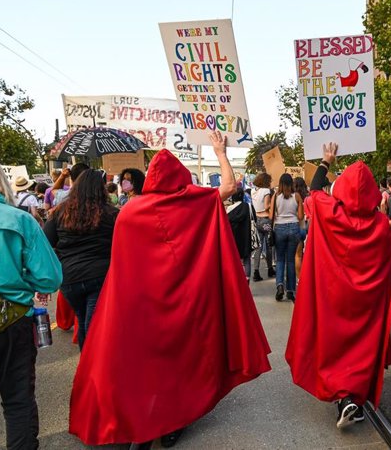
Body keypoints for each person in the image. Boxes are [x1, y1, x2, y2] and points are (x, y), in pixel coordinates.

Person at [69, 131, 271, 448]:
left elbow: (122, 268)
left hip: (141, 306)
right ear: (180, 177)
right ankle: (174, 421)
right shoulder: (195, 204)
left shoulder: (130, 213)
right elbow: (230, 187)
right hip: (185, 302)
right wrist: (220, 151)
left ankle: (147, 422)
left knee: (148, 368)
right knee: (182, 363)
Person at [286, 143, 391, 429]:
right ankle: (353, 398)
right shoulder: (382, 225)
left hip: (334, 294)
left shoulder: (329, 212)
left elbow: (315, 189)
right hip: (366, 300)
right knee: (361, 347)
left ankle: (344, 397)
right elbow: (388, 259)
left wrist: (326, 161)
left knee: (335, 346)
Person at [0, 154, 62, 450]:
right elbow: (50, 278)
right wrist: (20, 278)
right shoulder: (20, 220)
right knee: (17, 400)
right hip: (13, 319)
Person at [43, 169, 119, 350]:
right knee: (94, 324)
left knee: (83, 318)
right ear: (101, 189)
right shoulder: (112, 213)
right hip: (101, 275)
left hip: (69, 277)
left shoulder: (60, 212)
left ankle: (87, 364)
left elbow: (46, 242)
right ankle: (92, 367)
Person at [270, 173, 304, 301]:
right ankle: (290, 290)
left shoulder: (275, 196)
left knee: (280, 260)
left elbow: (270, 216)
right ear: (292, 184)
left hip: (279, 228)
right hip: (294, 228)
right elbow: (300, 217)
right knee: (290, 260)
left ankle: (279, 285)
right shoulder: (297, 196)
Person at [226, 187, 256, 283]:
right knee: (247, 259)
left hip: (234, 238)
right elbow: (254, 219)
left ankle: (236, 279)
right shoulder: (249, 206)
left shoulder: (229, 209)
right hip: (246, 237)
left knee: (235, 260)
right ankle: (247, 279)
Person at [251, 173, 275, 281]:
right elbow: (266, 206)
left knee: (258, 247)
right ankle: (270, 269)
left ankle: (256, 271)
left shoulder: (253, 191)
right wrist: (273, 202)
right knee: (269, 245)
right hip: (266, 220)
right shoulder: (266, 191)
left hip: (258, 220)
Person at [293, 177, 309, 280]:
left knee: (297, 255)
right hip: (307, 226)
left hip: (296, 226)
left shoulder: (292, 197)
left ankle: (299, 278)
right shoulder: (308, 197)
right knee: (305, 255)